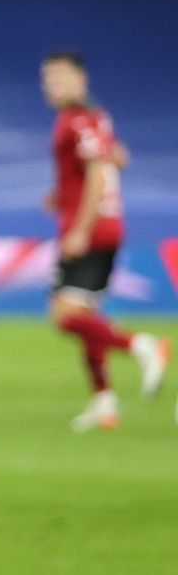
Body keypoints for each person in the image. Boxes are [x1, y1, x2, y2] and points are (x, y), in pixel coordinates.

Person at [39, 51, 168, 432]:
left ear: (81, 79)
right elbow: (118, 158)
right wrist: (62, 194)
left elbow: (97, 172)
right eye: (47, 79)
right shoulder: (95, 117)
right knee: (86, 316)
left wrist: (79, 226)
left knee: (65, 317)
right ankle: (105, 402)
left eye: (60, 77)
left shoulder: (77, 121)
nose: (52, 85)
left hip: (92, 230)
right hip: (105, 225)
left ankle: (142, 346)